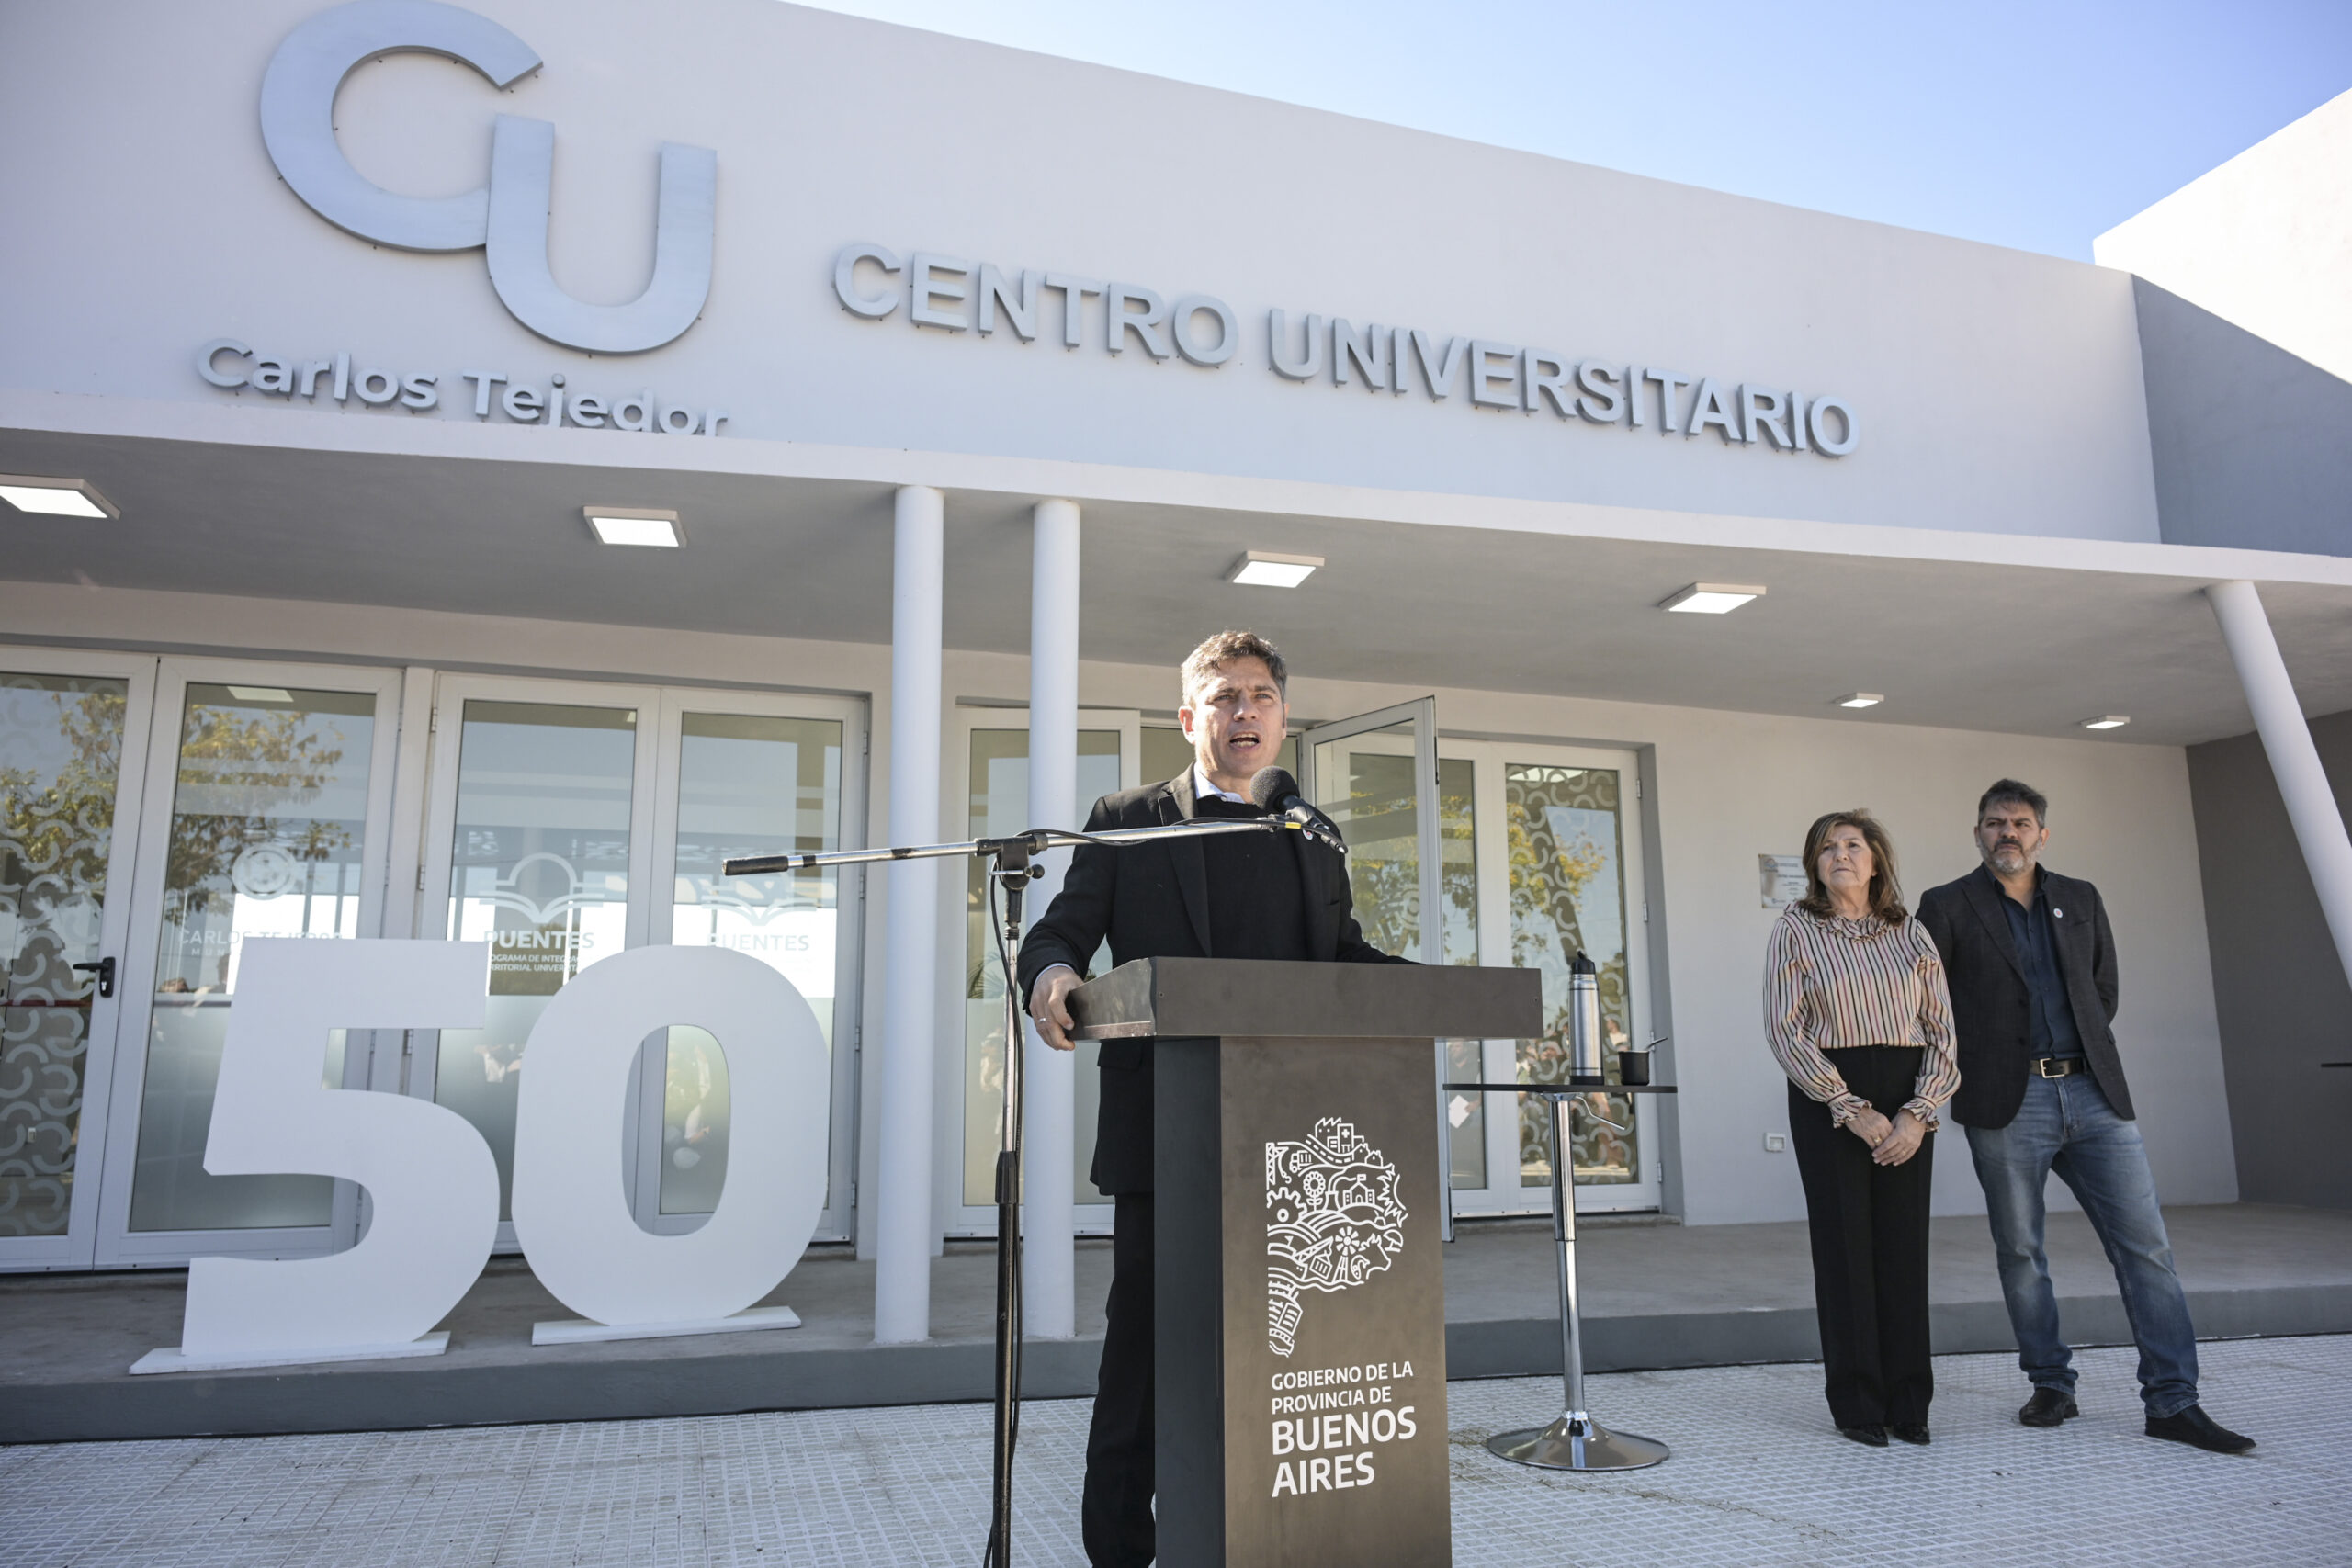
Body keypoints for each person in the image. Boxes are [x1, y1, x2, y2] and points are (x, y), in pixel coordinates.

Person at [1019, 628, 1408, 1568]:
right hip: (1167, 1137)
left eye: (1261, 697)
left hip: (1292, 1146)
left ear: (1283, 718)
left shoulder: (1307, 830)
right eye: (1226, 696)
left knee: (1279, 1358)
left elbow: (1340, 956)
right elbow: (1060, 933)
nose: (1245, 712)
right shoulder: (1128, 817)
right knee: (1145, 1361)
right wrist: (1053, 974)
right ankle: (1121, 1551)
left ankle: (1262, 1537)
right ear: (1189, 717)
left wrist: (1429, 990)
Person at [1917, 780, 2254, 1453]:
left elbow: (2103, 990)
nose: (2007, 832)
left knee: (2146, 1248)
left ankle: (2173, 1401)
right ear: (1977, 833)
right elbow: (1931, 1004)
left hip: (2096, 1094)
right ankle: (2051, 1382)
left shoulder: (2081, 897)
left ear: (2042, 834)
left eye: (2020, 822)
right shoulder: (1946, 905)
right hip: (2007, 1102)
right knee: (2021, 1250)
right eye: (1994, 822)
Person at [1764, 808, 1960, 1448]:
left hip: (1907, 1095)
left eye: (1853, 845)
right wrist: (1848, 1106)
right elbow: (1785, 1030)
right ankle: (1857, 1403)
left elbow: (1943, 1032)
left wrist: (1919, 1111)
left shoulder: (1911, 932)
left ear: (1876, 861)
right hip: (1828, 1095)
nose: (1840, 855)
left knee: (1903, 1248)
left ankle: (1909, 1401)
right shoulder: (1795, 927)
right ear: (1815, 865)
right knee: (1844, 1248)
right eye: (1827, 848)